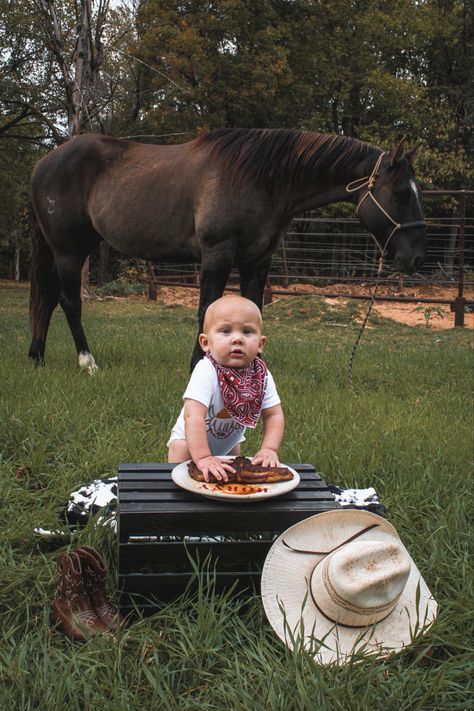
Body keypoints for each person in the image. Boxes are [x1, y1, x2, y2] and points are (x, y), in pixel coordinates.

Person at [167, 295, 285, 482]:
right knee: (183, 482)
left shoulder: (261, 375)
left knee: (230, 482)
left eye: (247, 332)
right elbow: (194, 415)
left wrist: (269, 449)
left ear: (261, 343)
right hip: (189, 445)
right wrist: (203, 457)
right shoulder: (206, 370)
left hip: (229, 444)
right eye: (226, 331)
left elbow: (273, 415)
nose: (237, 339)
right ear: (205, 343)